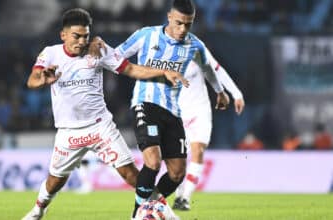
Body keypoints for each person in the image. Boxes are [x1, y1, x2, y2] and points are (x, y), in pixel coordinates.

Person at [21, 8, 188, 220]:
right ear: (63, 35)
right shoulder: (50, 53)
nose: (82, 41)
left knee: (131, 175)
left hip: (101, 127)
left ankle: (162, 212)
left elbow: (131, 69)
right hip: (68, 132)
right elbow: (32, 80)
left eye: (85, 36)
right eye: (76, 36)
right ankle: (38, 210)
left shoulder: (98, 50)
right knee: (55, 181)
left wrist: (162, 72)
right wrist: (42, 80)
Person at [114, 0, 230, 218]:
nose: (183, 29)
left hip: (173, 110)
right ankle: (137, 214)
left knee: (177, 173)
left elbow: (207, 68)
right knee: (153, 162)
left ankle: (152, 206)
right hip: (145, 103)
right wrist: (98, 50)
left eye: (188, 24)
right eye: (178, 23)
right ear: (169, 17)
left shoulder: (194, 45)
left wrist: (220, 91)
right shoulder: (146, 35)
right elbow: (116, 57)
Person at [173, 59, 245, 210]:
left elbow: (217, 69)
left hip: (200, 110)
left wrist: (236, 94)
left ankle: (185, 198)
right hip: (177, 112)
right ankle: (178, 195)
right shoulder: (161, 50)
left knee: (197, 150)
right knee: (178, 158)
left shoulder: (196, 48)